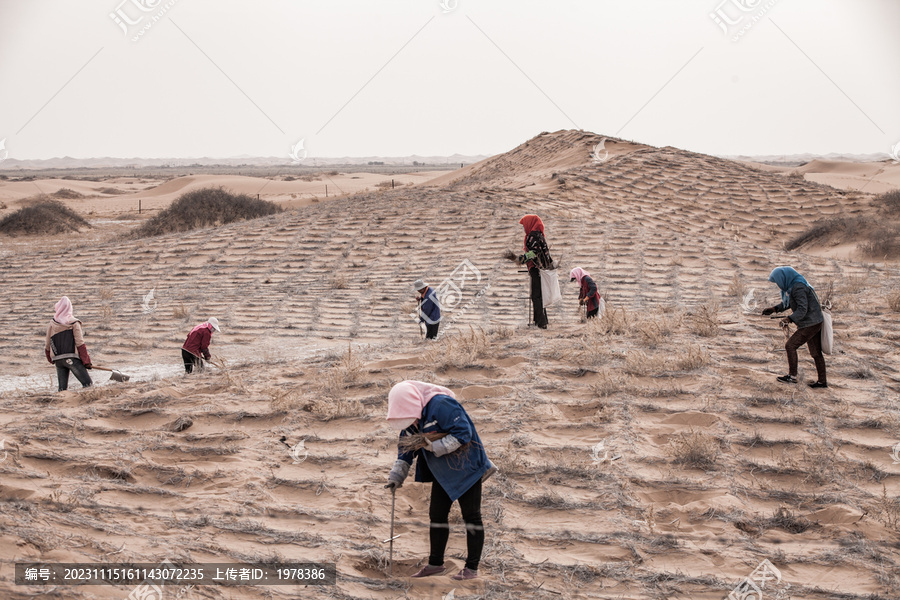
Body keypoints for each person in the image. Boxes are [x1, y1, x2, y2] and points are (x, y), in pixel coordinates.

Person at [385, 380, 495, 581]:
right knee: (437, 515)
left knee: (471, 516)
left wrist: (434, 447)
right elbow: (405, 452)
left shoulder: (441, 405)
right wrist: (396, 477)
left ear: (414, 403)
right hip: (442, 473)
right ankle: (435, 564)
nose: (409, 424)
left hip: (466, 467)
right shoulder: (412, 422)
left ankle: (471, 569)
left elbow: (464, 433)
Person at [762, 267, 827, 388]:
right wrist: (774, 309)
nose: (778, 284)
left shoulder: (798, 288)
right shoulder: (794, 285)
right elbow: (790, 303)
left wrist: (789, 319)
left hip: (810, 324)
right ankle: (822, 382)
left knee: (790, 346)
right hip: (814, 321)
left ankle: (792, 377)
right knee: (816, 353)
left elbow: (803, 308)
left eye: (777, 281)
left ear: (783, 278)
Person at [45, 296, 93, 391]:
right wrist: (86, 361)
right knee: (88, 384)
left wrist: (50, 358)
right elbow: (80, 343)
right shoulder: (74, 323)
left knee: (62, 389)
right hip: (71, 358)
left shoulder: (52, 323)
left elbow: (47, 344)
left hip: (58, 359)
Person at [518, 214, 552, 329]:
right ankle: (542, 321)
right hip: (541, 269)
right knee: (539, 295)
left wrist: (523, 258)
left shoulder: (533, 236)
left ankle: (540, 322)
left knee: (536, 296)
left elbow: (534, 252)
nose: (523, 228)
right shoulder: (539, 234)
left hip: (536, 269)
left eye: (524, 225)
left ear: (529, 223)